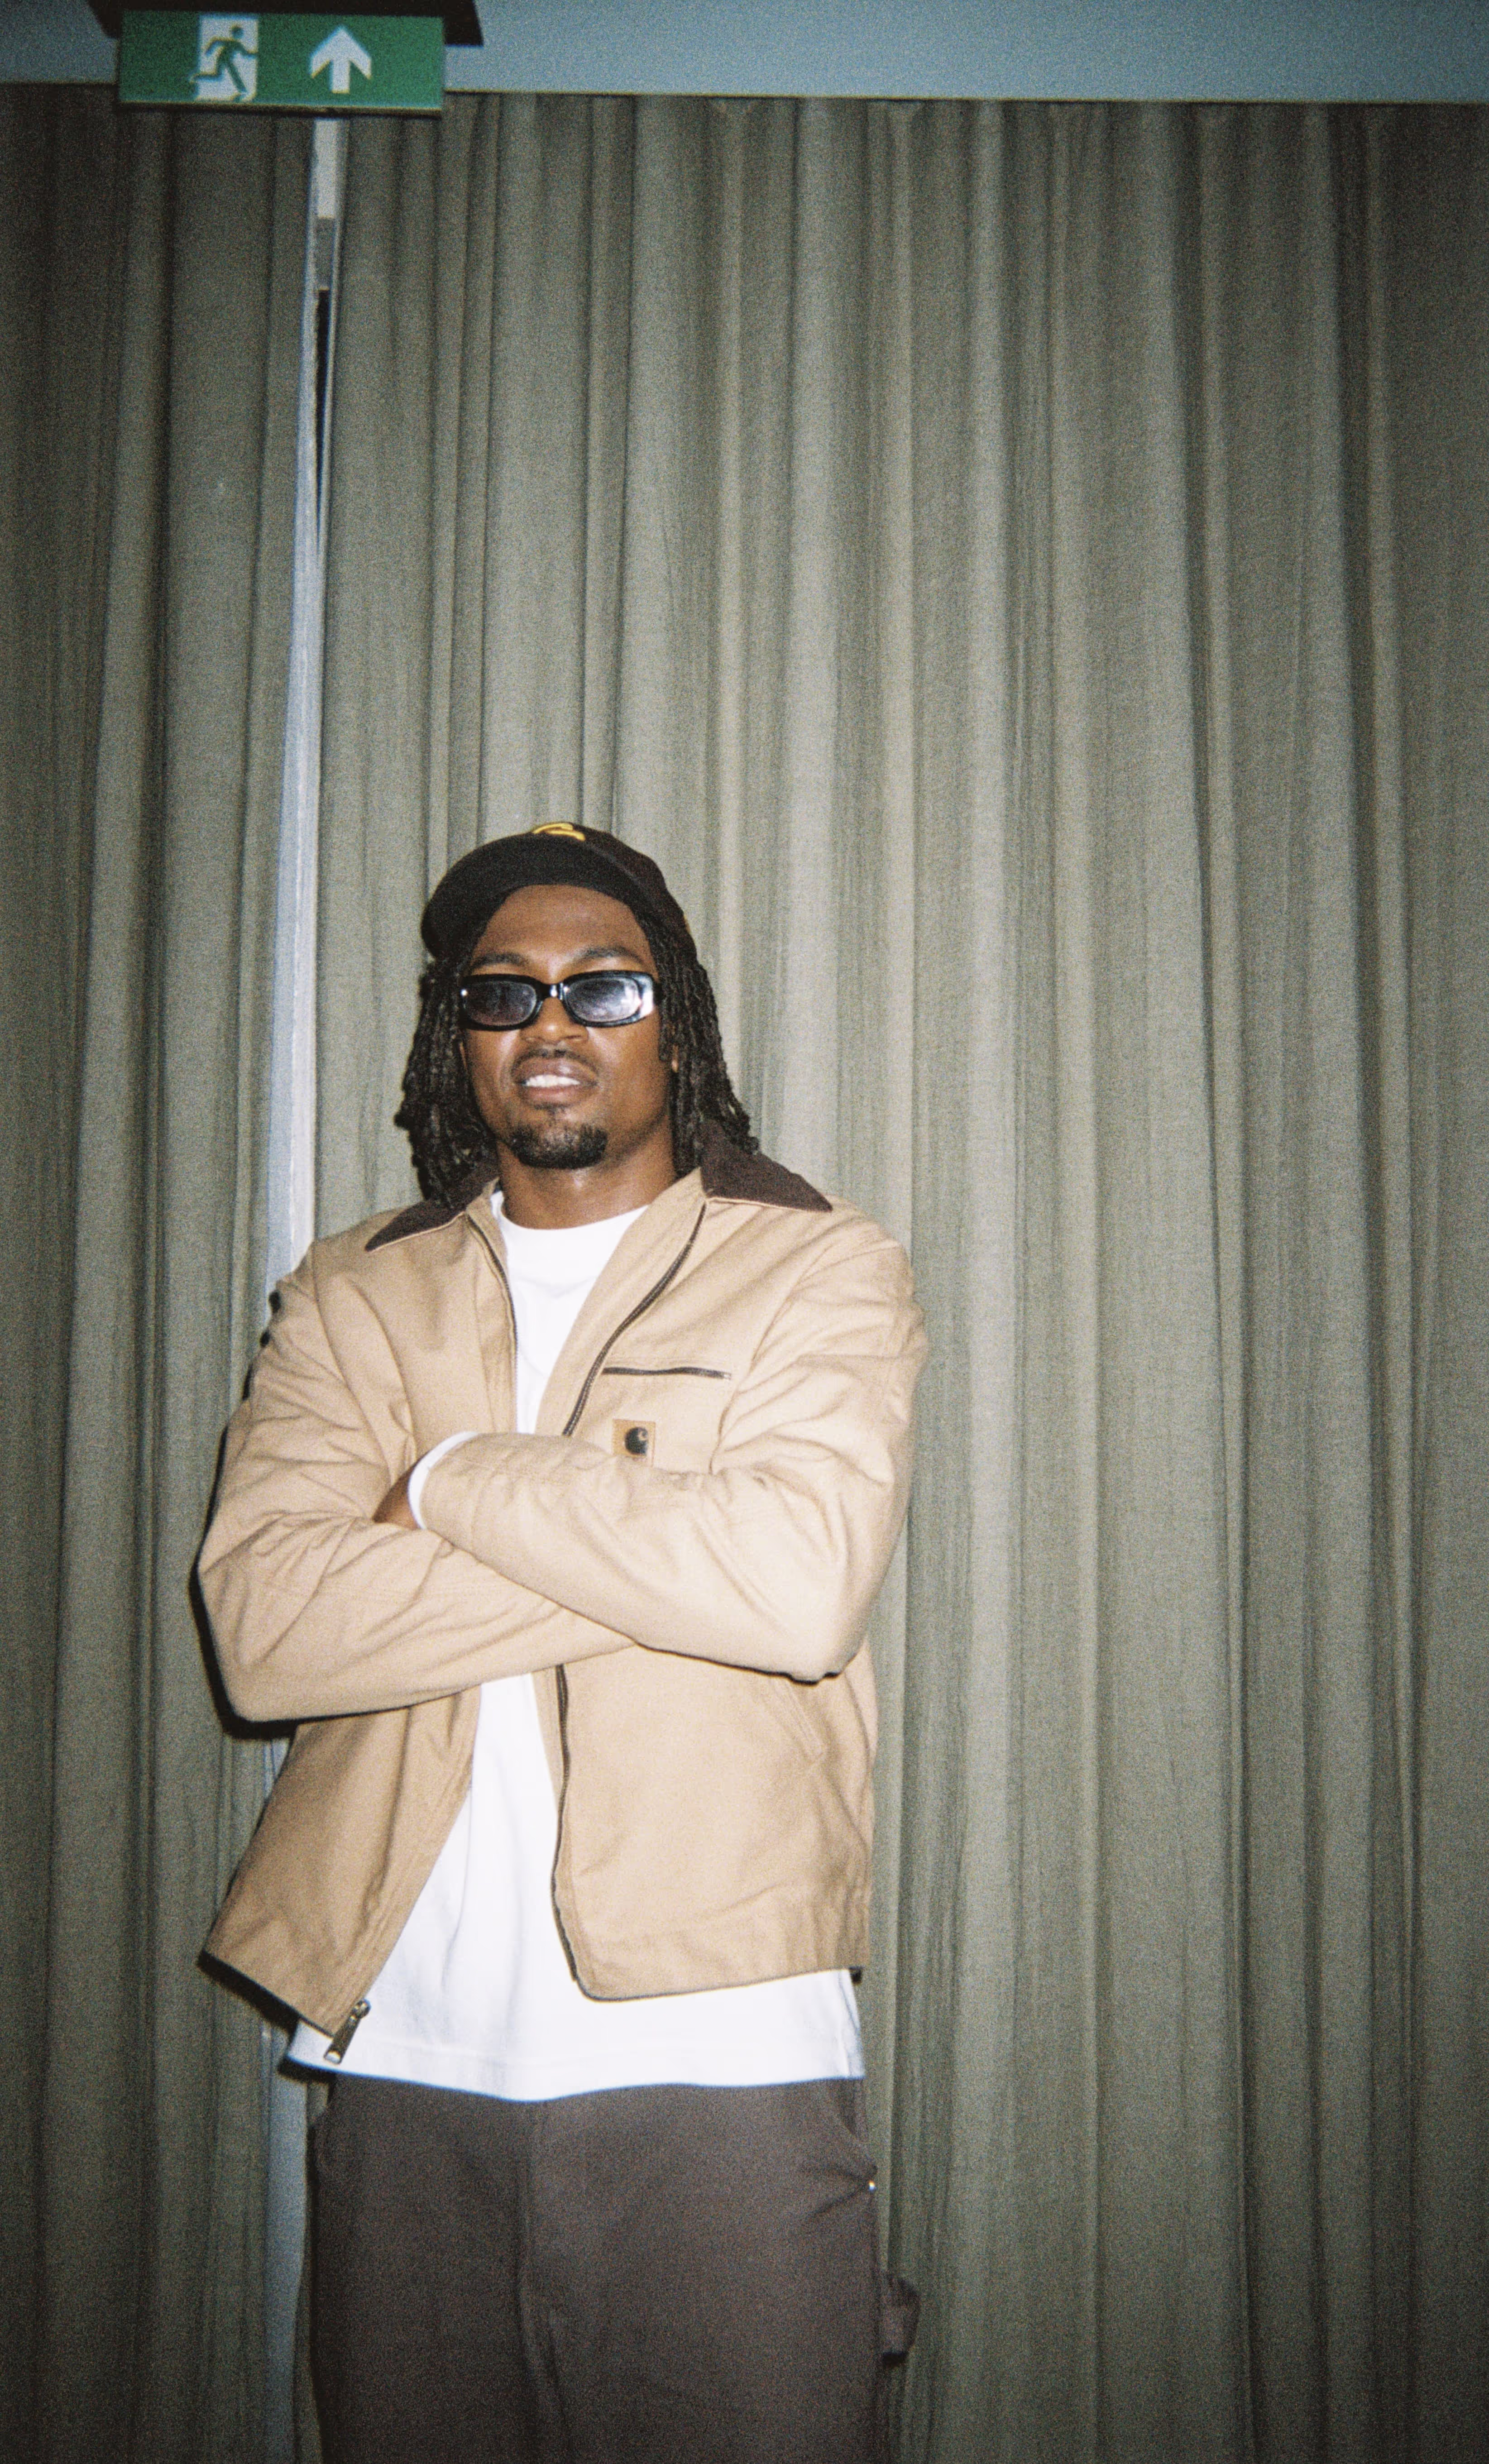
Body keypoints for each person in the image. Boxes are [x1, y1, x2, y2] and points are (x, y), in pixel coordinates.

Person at [199, 824, 927, 2464]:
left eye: (603, 985)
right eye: (501, 991)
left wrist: (450, 1480)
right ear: (451, 1034)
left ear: (678, 1019)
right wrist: (677, 1537)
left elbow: (800, 1586)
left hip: (720, 2055)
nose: (551, 1022)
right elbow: (265, 1629)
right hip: (403, 2060)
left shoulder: (814, 1264)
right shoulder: (350, 1295)